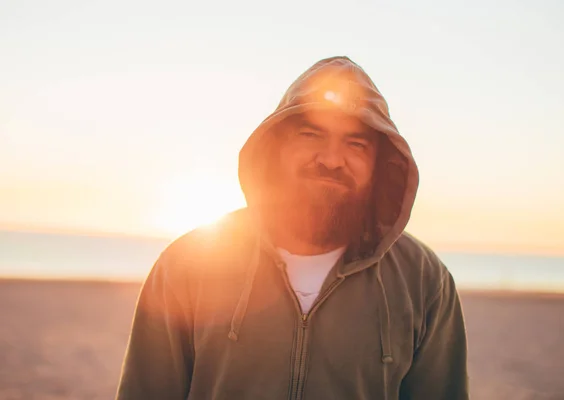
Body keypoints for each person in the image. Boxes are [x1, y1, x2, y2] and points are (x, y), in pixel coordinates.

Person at [116, 56, 469, 400]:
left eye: (356, 143)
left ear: (380, 163)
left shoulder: (422, 280)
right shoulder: (189, 263)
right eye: (311, 134)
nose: (331, 159)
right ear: (278, 145)